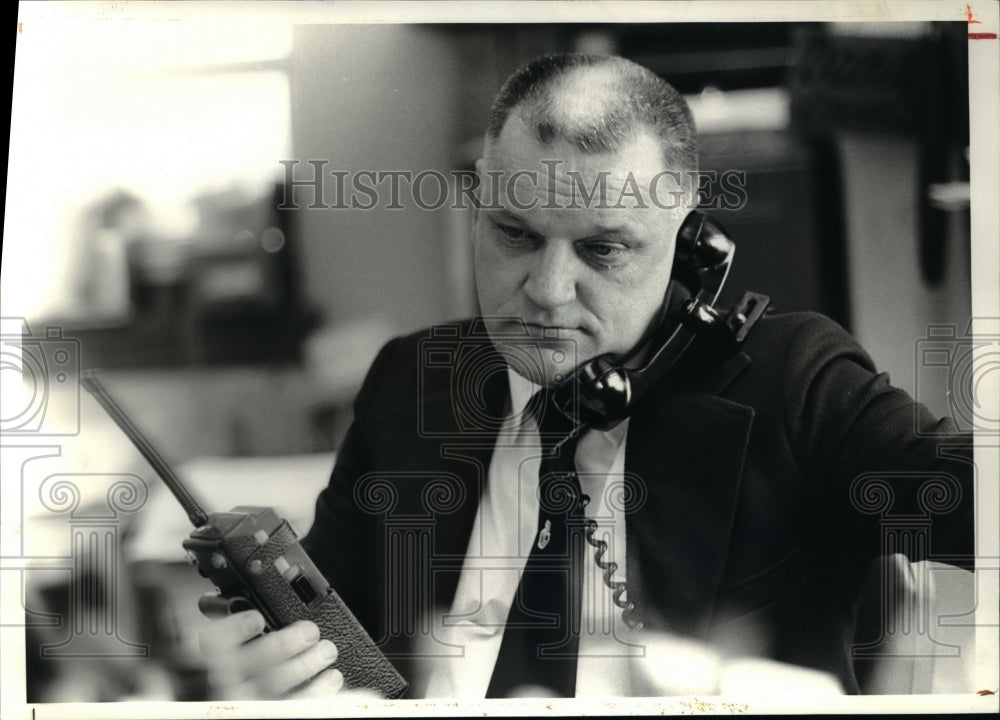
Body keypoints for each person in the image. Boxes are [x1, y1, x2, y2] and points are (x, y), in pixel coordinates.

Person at [198, 53, 974, 699]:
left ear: (692, 241)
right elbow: (335, 635)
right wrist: (288, 680)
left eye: (603, 249)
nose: (545, 289)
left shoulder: (791, 382)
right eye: (514, 233)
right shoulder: (412, 381)